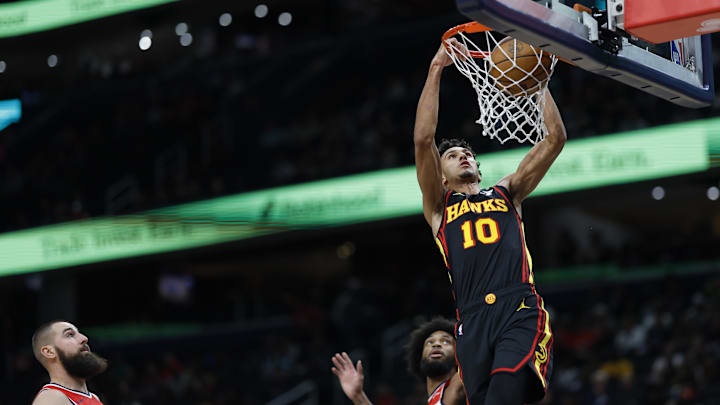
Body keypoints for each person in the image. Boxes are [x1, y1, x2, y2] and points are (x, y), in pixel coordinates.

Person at [413, 38, 566, 404]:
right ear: (443, 175)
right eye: (452, 155)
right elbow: (423, 139)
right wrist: (436, 68)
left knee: (504, 395)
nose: (463, 155)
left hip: (518, 308)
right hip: (472, 322)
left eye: (467, 153)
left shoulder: (507, 193)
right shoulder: (440, 207)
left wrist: (538, 80)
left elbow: (555, 138)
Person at [331, 317, 465, 405]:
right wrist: (358, 396)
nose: (436, 345)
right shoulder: (435, 398)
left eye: (446, 341)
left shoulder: (460, 384)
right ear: (420, 358)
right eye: (430, 342)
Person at [31, 320, 108, 405]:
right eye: (70, 335)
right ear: (49, 352)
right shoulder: (52, 398)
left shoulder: (94, 397)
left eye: (79, 333)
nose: (84, 338)